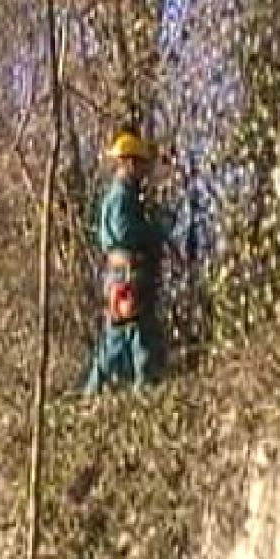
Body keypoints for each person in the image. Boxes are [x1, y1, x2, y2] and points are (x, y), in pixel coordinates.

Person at [83, 130, 171, 395]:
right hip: (129, 274)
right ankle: (144, 391)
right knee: (138, 332)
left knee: (118, 334)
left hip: (119, 274)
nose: (144, 170)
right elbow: (124, 232)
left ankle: (93, 392)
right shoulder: (122, 196)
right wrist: (153, 231)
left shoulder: (119, 195)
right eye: (141, 164)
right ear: (130, 163)